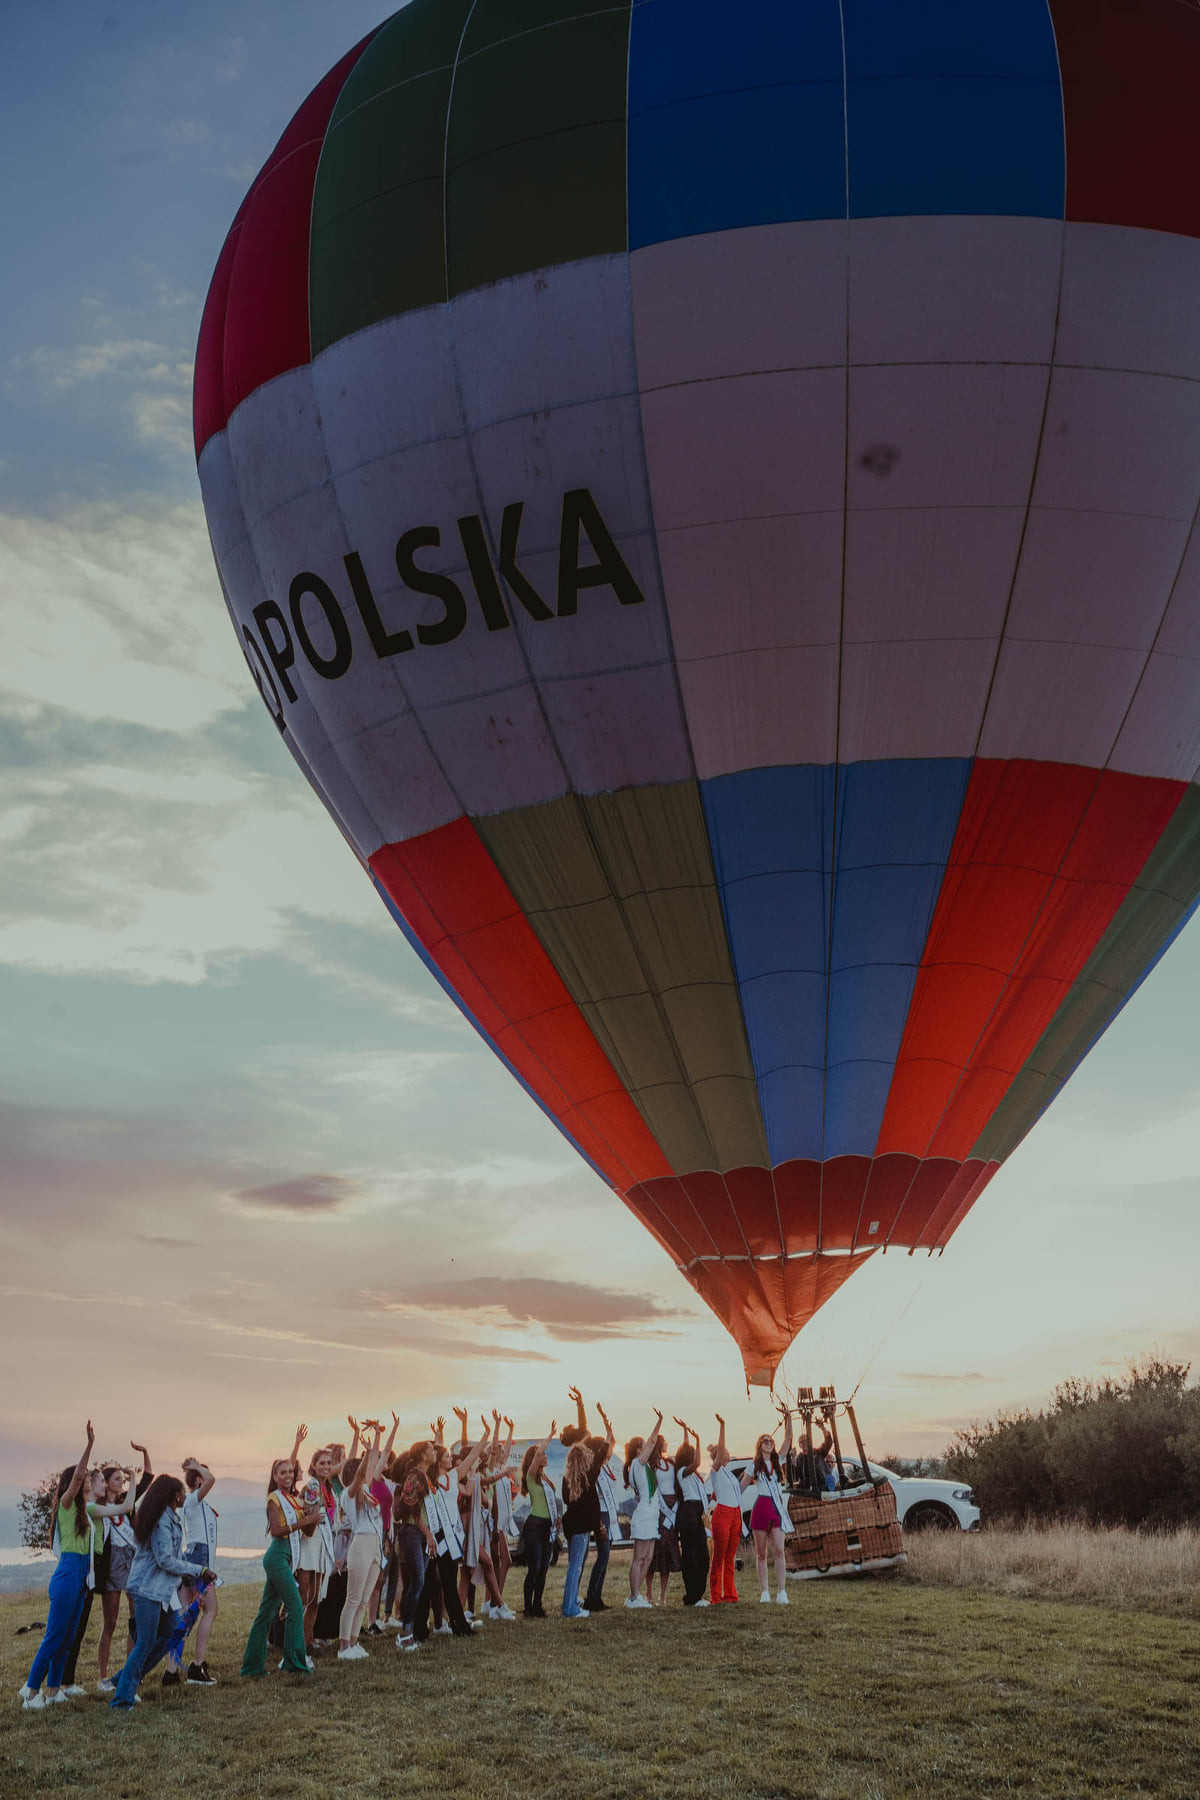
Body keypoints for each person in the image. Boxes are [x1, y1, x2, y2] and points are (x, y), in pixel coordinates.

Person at [109, 1474, 216, 1708]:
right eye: (182, 1492)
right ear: (175, 1495)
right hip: (147, 1588)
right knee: (146, 1642)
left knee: (169, 1635)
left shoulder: (170, 1518)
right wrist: (199, 1570)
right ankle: (122, 1698)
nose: (185, 1495)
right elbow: (165, 1560)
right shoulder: (161, 1522)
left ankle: (122, 1679)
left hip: (161, 1590)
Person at [20, 1422, 97, 1710]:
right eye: (84, 1476)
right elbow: (77, 1477)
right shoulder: (67, 1504)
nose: (87, 1478)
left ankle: (52, 1691)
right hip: (66, 1574)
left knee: (67, 1638)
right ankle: (30, 1693)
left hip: (79, 1577)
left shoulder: (83, 1511)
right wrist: (89, 1445)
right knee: (53, 1637)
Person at [240, 1453, 321, 1678]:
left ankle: (252, 1667)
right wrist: (303, 1521)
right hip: (276, 1556)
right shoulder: (274, 1499)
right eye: (282, 1472)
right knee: (295, 1606)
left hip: (286, 1557)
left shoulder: (294, 1499)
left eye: (290, 1472)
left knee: (265, 1613)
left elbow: (307, 1531)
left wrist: (312, 1518)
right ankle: (293, 1662)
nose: (287, 1475)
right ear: (275, 1476)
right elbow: (276, 1531)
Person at [337, 1423, 387, 1659]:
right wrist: (367, 1454)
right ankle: (343, 1646)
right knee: (353, 1597)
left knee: (365, 1598)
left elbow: (376, 1460)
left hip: (375, 1543)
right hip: (361, 1544)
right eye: (365, 1467)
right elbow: (359, 1476)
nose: (369, 1471)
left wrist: (377, 1437)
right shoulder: (349, 1492)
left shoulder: (368, 1492)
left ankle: (354, 1642)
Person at [741, 1402, 794, 1604]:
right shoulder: (753, 1465)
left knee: (779, 1550)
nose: (769, 1442)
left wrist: (788, 1417)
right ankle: (764, 1592)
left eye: (770, 1440)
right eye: (765, 1440)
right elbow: (742, 1486)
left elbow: (788, 1439)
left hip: (776, 1508)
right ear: (759, 1445)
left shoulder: (778, 1460)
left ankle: (782, 1592)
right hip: (761, 1508)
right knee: (761, 1553)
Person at [176, 1458, 219, 1685]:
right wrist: (196, 1466)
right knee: (210, 1610)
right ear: (199, 1480)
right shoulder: (193, 1499)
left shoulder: (195, 1503)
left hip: (193, 1555)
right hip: (198, 1558)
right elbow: (211, 1479)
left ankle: (172, 1669)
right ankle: (196, 1665)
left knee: (186, 1614)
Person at [519, 1420, 560, 1619]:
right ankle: (528, 1608)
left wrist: (556, 1518)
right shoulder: (531, 1476)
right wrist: (550, 1435)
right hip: (534, 1525)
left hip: (547, 1526)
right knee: (534, 1567)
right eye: (542, 1454)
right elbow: (536, 1454)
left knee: (544, 1567)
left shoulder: (545, 1479)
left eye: (544, 1454)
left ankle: (537, 1605)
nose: (544, 1456)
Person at [623, 1408, 663, 1611]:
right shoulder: (637, 1465)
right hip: (645, 1514)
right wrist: (659, 1421)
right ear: (639, 1450)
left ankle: (636, 1595)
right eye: (643, 1446)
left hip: (651, 1513)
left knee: (648, 1558)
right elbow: (653, 1440)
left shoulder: (642, 1466)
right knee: (639, 1558)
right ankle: (633, 1596)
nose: (646, 1447)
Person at [582, 1403, 618, 1614]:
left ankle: (597, 1596)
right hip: (601, 1513)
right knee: (602, 1556)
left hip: (610, 1512)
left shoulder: (605, 1464)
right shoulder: (594, 1467)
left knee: (606, 1556)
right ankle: (591, 1597)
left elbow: (611, 1440)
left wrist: (605, 1420)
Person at [672, 1421, 711, 1607]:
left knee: (703, 1554)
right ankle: (692, 1595)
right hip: (688, 1513)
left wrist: (686, 1432)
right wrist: (697, 1439)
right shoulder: (682, 1472)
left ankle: (698, 1594)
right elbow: (696, 1462)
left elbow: (687, 1452)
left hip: (695, 1513)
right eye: (693, 1452)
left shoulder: (692, 1474)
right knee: (692, 1555)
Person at [560, 1441, 601, 1619]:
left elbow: (566, 1501)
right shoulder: (588, 1478)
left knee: (574, 1566)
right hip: (582, 1528)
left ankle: (571, 1603)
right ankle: (569, 1608)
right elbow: (601, 1456)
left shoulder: (566, 1479)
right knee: (575, 1567)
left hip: (571, 1526)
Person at [706, 1413, 742, 1605]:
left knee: (730, 1557)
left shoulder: (729, 1473)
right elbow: (719, 1454)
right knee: (719, 1557)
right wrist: (722, 1426)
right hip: (723, 1514)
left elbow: (738, 1492)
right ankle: (715, 1596)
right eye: (724, 1451)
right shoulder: (716, 1470)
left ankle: (730, 1594)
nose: (727, 1452)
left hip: (735, 1514)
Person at [649, 1431, 681, 1606]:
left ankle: (662, 1594)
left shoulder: (671, 1464)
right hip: (658, 1509)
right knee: (654, 1551)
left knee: (667, 1551)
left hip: (672, 1506)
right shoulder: (651, 1465)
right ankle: (648, 1593)